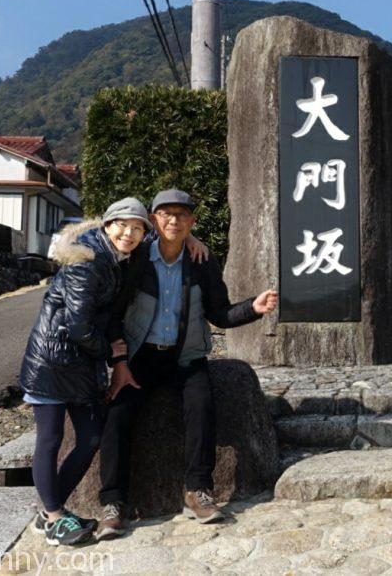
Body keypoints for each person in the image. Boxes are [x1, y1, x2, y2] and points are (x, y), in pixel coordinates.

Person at [19, 197, 208, 546]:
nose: (129, 233)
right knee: (50, 439)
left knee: (91, 436)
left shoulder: (124, 254)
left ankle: (48, 512)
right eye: (122, 224)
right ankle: (54, 515)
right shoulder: (86, 261)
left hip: (81, 363)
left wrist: (190, 239)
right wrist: (112, 352)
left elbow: (162, 236)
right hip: (53, 358)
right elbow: (78, 325)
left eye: (137, 227)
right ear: (107, 225)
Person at [95, 188, 278, 539]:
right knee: (117, 413)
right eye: (166, 214)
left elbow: (219, 312)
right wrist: (119, 362)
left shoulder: (201, 261)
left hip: (185, 356)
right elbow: (114, 315)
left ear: (192, 221)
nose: (173, 220)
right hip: (141, 357)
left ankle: (197, 490)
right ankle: (113, 504)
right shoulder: (135, 260)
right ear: (153, 220)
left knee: (201, 403)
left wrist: (252, 308)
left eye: (182, 215)